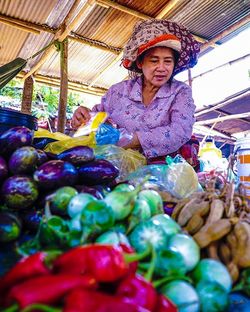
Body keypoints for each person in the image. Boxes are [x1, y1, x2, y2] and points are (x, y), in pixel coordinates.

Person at [72, 19, 200, 164]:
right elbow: (96, 119)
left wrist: (134, 140)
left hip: (162, 172)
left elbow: (180, 131)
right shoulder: (118, 92)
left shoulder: (180, 92)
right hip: (116, 167)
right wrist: (83, 117)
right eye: (154, 60)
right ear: (140, 63)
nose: (161, 67)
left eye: (168, 61)